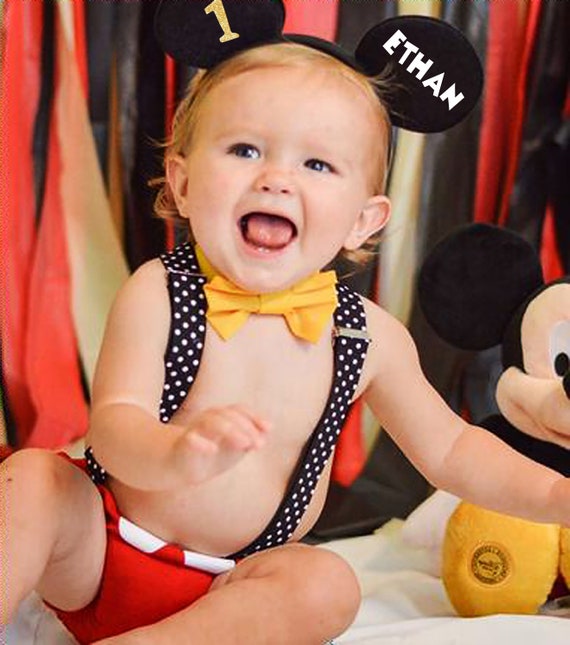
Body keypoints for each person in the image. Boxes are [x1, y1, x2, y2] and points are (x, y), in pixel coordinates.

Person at [2, 19, 570, 645]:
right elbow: (114, 428)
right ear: (183, 183)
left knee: (327, 584)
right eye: (245, 151)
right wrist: (177, 453)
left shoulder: (366, 337)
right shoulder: (161, 292)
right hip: (101, 553)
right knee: (34, 480)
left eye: (318, 163)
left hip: (229, 588)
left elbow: (453, 451)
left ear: (363, 220)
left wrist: (554, 493)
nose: (276, 178)